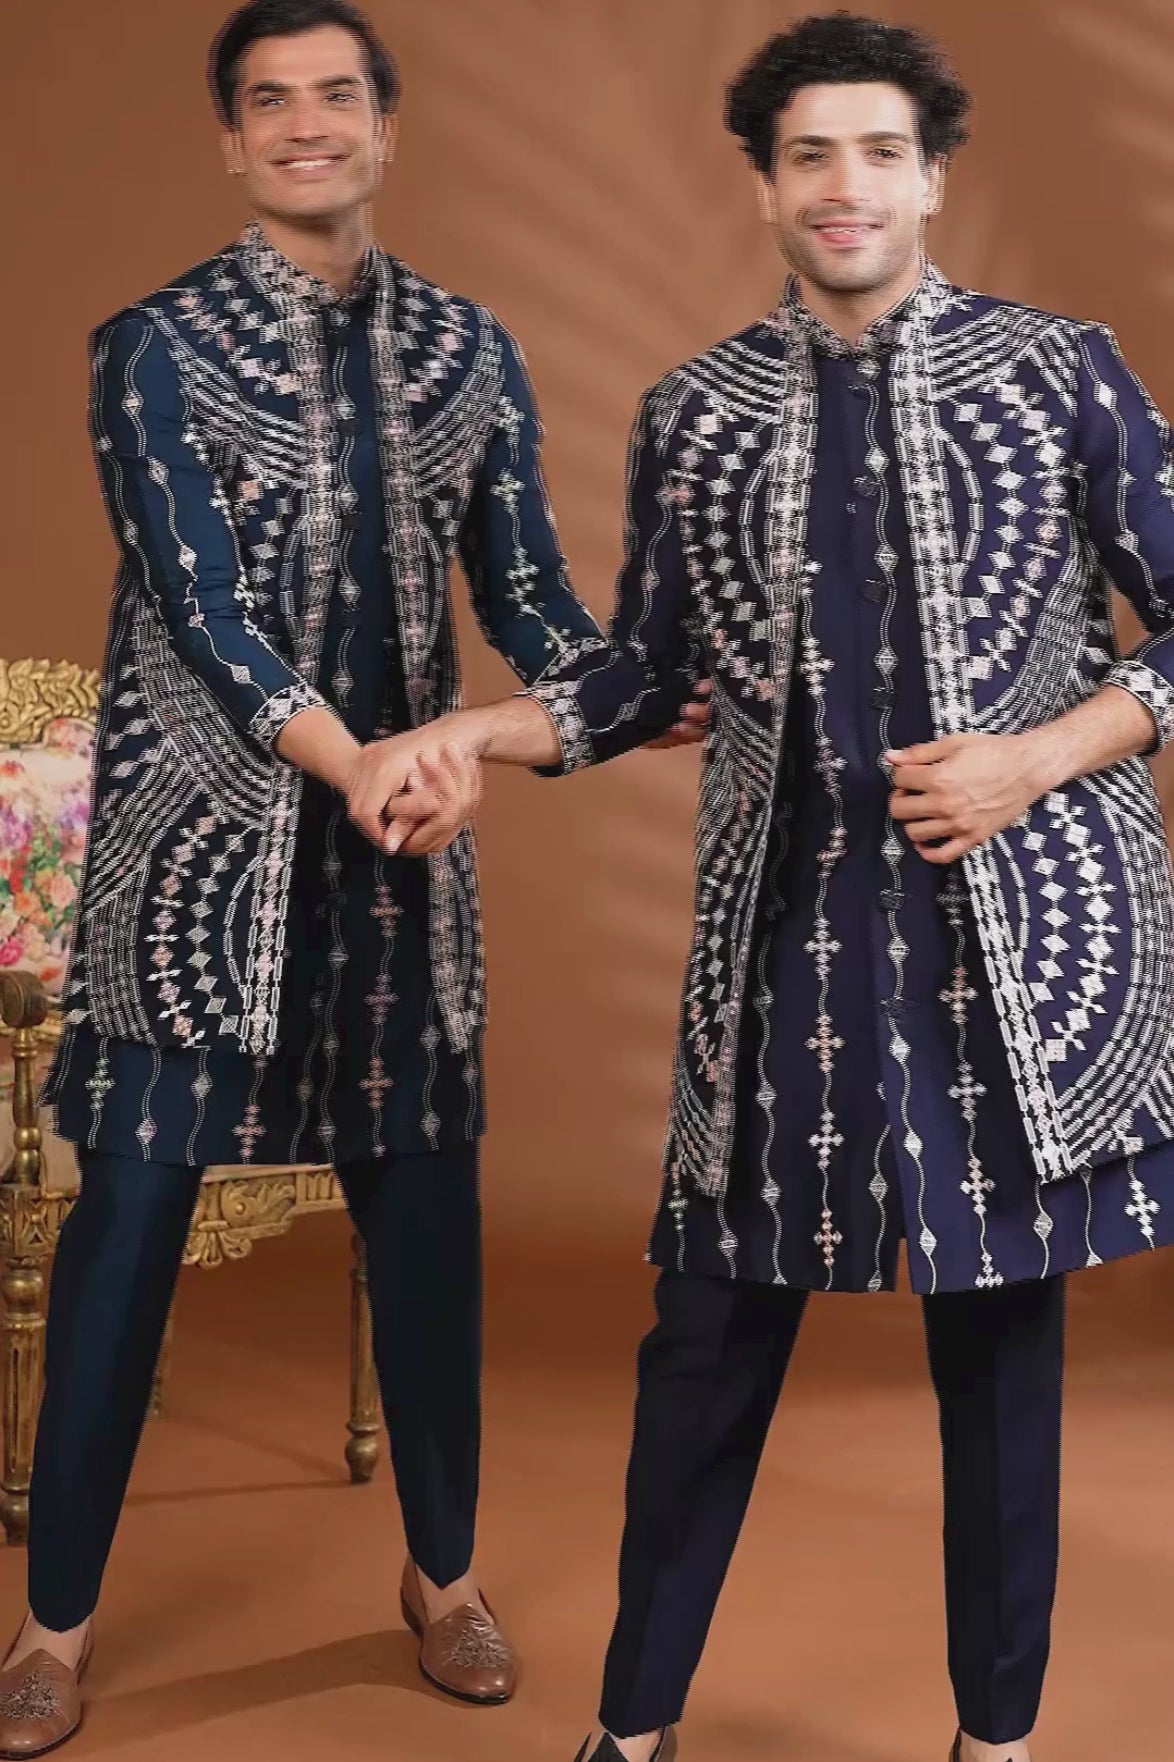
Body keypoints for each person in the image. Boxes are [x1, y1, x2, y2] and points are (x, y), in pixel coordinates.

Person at [343, 15, 1174, 1762]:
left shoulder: (1057, 372)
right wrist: (477, 729)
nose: (843, 185)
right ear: (766, 187)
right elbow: (643, 676)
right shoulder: (697, 410)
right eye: (810, 155)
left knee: (997, 1355)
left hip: (1009, 953)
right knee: (705, 1345)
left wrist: (1039, 755)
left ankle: (996, 1742)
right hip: (783, 957)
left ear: (931, 178)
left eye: (877, 151)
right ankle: (630, 1730)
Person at [0, 3, 708, 1753]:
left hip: (398, 875)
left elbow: (527, 594)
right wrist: (372, 759)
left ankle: (442, 1576)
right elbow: (202, 608)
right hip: (196, 865)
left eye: (337, 97)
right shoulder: (153, 348)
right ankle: (51, 1622)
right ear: (232, 142)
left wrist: (602, 693)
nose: (306, 125)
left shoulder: (470, 352)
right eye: (270, 102)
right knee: (126, 1226)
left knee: (428, 1223)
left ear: (385, 128)